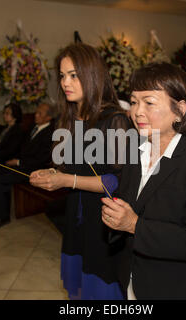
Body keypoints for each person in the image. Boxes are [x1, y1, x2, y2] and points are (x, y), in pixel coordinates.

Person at [101, 62, 186, 299]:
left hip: (176, 287)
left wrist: (133, 225)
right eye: (133, 102)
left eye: (149, 102)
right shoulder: (134, 150)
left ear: (180, 109)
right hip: (131, 279)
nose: (137, 111)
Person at [28, 43, 132, 300]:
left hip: (103, 219)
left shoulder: (115, 119)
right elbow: (74, 166)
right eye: (62, 76)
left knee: (102, 289)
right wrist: (51, 173)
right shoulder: (72, 117)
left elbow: (116, 181)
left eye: (73, 75)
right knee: (80, 289)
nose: (66, 82)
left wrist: (65, 179)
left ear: (92, 74)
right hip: (77, 213)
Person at [0, 102, 55, 229]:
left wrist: (19, 162)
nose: (35, 115)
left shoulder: (51, 133)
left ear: (48, 118)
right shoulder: (34, 127)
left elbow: (43, 159)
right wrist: (15, 159)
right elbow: (22, 147)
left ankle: (2, 217)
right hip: (22, 165)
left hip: (34, 170)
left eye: (39, 114)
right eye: (35, 112)